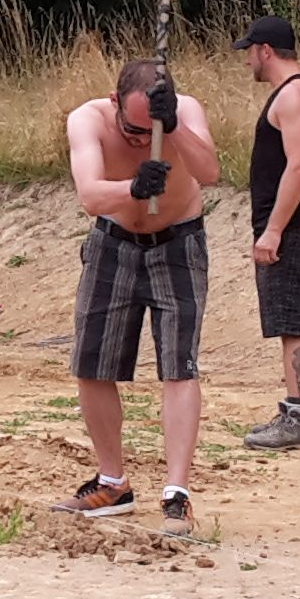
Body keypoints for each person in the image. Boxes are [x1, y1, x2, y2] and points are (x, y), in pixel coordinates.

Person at [53, 57, 221, 534]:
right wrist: (133, 187)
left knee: (179, 365)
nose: (141, 141)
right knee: (93, 363)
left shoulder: (185, 111)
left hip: (178, 242)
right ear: (114, 103)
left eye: (151, 132)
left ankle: (176, 493)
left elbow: (209, 172)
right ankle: (112, 481)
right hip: (113, 243)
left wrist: (175, 129)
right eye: (132, 130)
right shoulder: (86, 119)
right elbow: (90, 195)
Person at [238, 15, 300, 449]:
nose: (247, 62)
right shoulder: (294, 93)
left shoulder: (295, 93)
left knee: (293, 322)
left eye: (249, 52)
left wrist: (274, 229)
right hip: (297, 225)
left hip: (293, 227)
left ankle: (297, 416)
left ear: (265, 50)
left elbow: (299, 166)